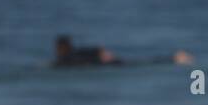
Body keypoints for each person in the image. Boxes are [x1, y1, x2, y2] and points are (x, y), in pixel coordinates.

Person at [53, 35, 194, 67]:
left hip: (106, 65)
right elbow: (99, 49)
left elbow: (98, 50)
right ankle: (174, 58)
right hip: (108, 63)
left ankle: (174, 59)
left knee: (142, 62)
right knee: (141, 62)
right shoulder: (73, 54)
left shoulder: (66, 57)